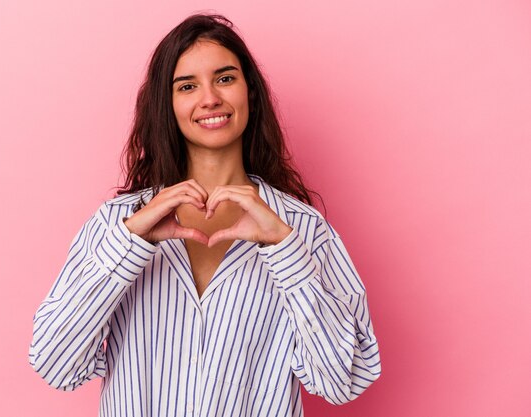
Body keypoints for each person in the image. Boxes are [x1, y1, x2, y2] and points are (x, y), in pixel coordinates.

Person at [29, 13, 381, 416]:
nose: (210, 98)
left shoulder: (301, 229)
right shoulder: (119, 223)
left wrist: (285, 251)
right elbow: (54, 364)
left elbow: (343, 380)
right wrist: (129, 246)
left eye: (225, 78)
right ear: (168, 104)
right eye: (187, 86)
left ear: (250, 91)